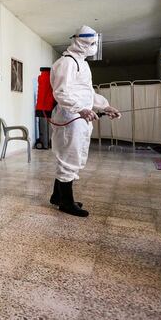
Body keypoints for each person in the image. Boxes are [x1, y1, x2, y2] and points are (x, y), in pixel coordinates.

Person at [49, 25, 119, 217]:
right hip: (70, 117)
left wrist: (104, 106)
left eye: (96, 43)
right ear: (80, 42)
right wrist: (80, 109)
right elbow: (61, 92)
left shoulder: (82, 63)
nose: (94, 47)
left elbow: (87, 93)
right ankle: (66, 202)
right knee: (69, 158)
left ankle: (58, 196)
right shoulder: (67, 62)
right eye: (91, 43)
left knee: (73, 156)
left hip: (80, 117)